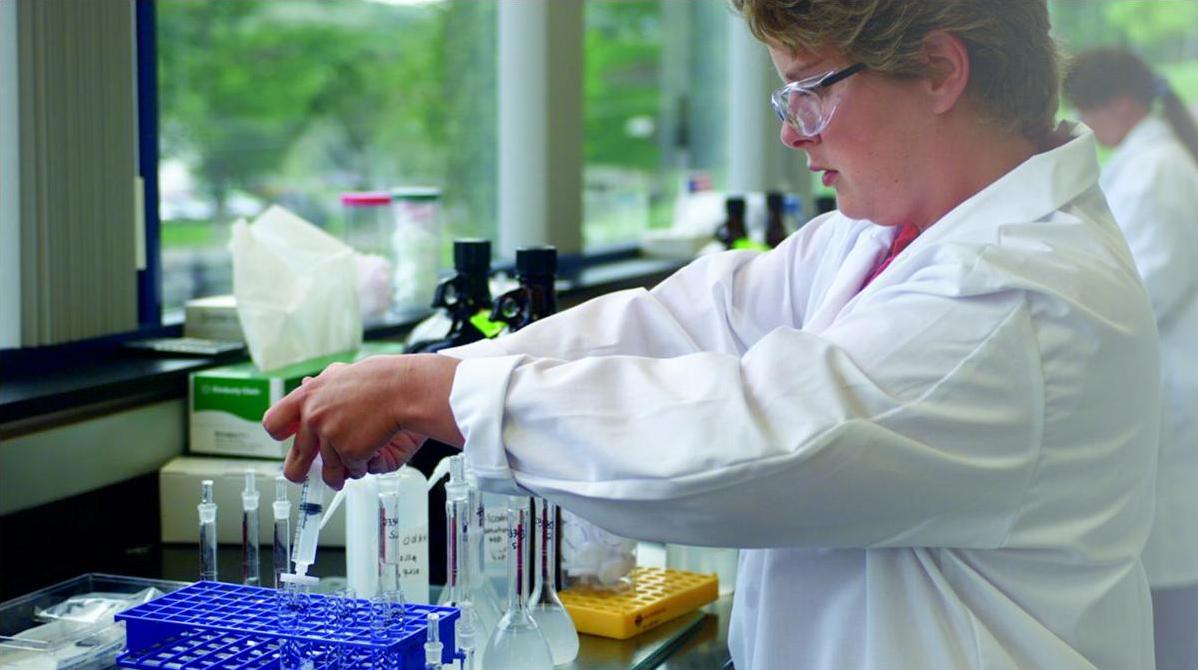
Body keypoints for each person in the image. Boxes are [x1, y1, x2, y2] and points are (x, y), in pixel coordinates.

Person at [264, 1, 1162, 667]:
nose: (794, 137)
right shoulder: (891, 233)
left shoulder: (1016, 293)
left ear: (937, 68)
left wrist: (443, 396)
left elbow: (752, 442)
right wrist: (437, 374)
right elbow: (692, 318)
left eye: (810, 92)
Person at [1065, 48, 1198, 670]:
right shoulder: (1148, 161)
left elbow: (1141, 291)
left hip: (1175, 395)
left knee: (1174, 591)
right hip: (1166, 390)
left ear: (1119, 105)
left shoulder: (1158, 171)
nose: (1085, 127)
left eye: (1086, 112)